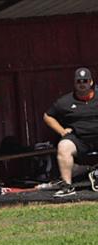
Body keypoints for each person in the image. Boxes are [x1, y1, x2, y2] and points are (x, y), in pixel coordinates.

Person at [43, 67, 98, 197]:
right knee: (64, 146)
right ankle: (67, 186)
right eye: (79, 81)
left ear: (91, 82)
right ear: (75, 83)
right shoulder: (65, 102)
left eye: (85, 81)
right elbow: (47, 116)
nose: (82, 84)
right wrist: (62, 131)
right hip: (79, 139)